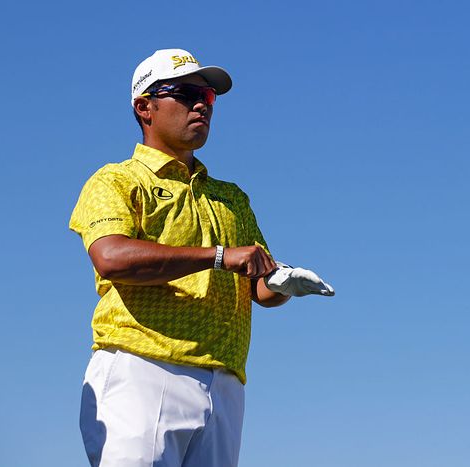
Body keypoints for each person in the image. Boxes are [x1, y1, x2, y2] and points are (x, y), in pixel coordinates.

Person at [69, 48, 334, 467]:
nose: (201, 105)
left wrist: (281, 283)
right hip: (143, 366)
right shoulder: (116, 180)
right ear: (144, 107)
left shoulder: (231, 198)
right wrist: (219, 256)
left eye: (208, 97)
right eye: (186, 94)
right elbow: (112, 257)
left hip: (225, 382)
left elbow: (257, 288)